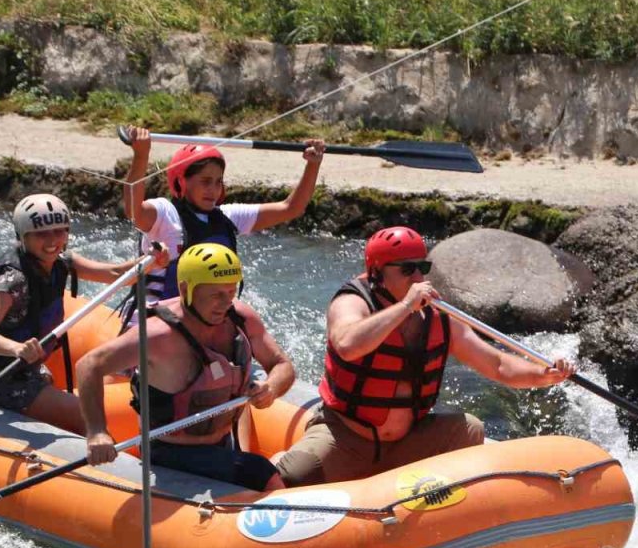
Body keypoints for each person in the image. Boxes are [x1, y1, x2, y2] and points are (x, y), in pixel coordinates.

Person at [275, 226, 577, 487]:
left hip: (406, 441)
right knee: (297, 474)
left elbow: (497, 364)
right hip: (347, 436)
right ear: (377, 272)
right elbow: (347, 344)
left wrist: (543, 374)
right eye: (407, 269)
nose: (418, 277)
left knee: (469, 429)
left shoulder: (437, 315)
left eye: (422, 267)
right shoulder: (352, 302)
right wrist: (406, 305)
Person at [76, 243, 295, 491]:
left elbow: (282, 365)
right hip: (171, 454)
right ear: (185, 289)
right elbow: (89, 365)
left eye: (231, 292)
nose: (225, 303)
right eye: (215, 295)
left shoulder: (241, 318)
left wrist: (272, 387)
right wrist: (97, 432)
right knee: (260, 472)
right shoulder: (158, 336)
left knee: (260, 469)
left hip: (222, 444)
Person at [0, 194, 168, 433]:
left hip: (28, 372)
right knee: (88, 417)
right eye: (41, 233)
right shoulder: (13, 280)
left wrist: (150, 262)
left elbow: (114, 274)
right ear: (23, 236)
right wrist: (16, 348)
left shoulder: (62, 261)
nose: (52, 240)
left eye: (59, 231)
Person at [119, 125, 325, 322]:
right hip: (156, 322)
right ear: (181, 182)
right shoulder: (165, 214)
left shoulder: (228, 216)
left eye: (218, 182)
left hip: (205, 322)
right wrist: (141, 155)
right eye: (205, 181)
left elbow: (291, 208)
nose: (214, 190)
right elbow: (134, 212)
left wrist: (313, 165)